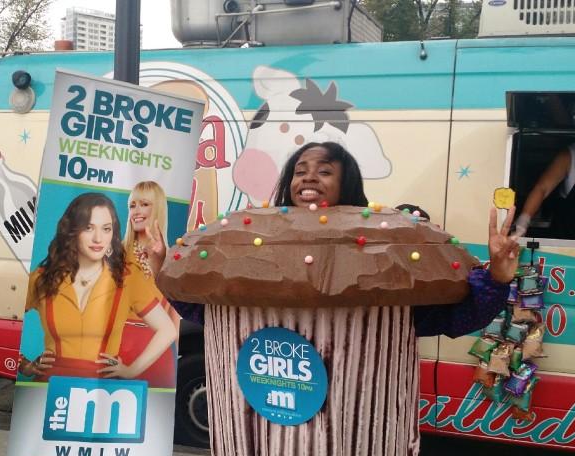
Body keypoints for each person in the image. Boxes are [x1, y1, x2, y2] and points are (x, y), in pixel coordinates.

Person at [171, 141, 520, 338]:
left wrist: (497, 279)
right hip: (270, 410)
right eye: (301, 171)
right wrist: (161, 270)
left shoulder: (382, 253)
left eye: (324, 171)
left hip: (354, 419)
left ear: (346, 184)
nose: (309, 179)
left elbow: (453, 319)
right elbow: (210, 313)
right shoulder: (254, 240)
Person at [18, 192, 177, 381]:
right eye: (88, 228)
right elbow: (4, 316)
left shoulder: (127, 277)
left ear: (113, 233)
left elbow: (168, 330)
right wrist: (23, 364)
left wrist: (131, 370)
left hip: (104, 394)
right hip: (49, 389)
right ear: (72, 231)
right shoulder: (42, 278)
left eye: (106, 229)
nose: (98, 238)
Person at [100, 182, 180, 387]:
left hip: (156, 354)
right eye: (132, 205)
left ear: (158, 208)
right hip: (115, 348)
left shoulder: (174, 259)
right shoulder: (114, 252)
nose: (136, 211)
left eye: (144, 204)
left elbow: (174, 322)